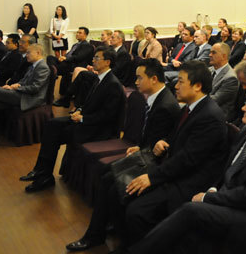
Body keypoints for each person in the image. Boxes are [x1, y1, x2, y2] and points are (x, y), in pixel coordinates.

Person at [67, 61, 228, 252]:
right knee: (114, 185)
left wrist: (151, 177)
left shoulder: (209, 116)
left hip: (187, 181)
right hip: (172, 168)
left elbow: (188, 160)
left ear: (197, 86)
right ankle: (120, 241)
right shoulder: (191, 108)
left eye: (181, 81)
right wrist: (163, 142)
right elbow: (177, 139)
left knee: (136, 209)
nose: (175, 86)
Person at [125, 87, 246, 254]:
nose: (243, 108)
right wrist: (213, 189)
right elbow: (227, 169)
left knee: (191, 210)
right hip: (229, 198)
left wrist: (208, 197)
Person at [21, 46, 125, 192]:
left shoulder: (113, 84)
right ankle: (41, 172)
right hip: (87, 120)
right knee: (51, 124)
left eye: (97, 58)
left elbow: (107, 116)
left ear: (107, 62)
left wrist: (82, 118)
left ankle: (44, 176)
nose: (93, 60)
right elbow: (89, 103)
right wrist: (80, 110)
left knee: (55, 135)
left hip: (98, 129)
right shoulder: (99, 78)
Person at [0, 44, 50, 147]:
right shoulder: (33, 65)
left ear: (38, 53)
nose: (26, 55)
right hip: (22, 93)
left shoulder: (42, 67)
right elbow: (23, 81)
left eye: (29, 52)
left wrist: (17, 88)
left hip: (29, 98)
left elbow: (35, 88)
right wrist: (13, 86)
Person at [50, 27, 94, 96]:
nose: (77, 34)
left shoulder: (87, 46)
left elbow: (79, 57)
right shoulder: (75, 45)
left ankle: (53, 72)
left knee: (53, 68)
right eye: (77, 32)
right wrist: (62, 57)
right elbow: (69, 54)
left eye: (80, 33)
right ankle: (54, 73)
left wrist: (65, 59)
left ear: (85, 35)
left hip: (75, 64)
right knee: (50, 58)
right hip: (68, 62)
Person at [208, 43, 239, 120]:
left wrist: (194, 97)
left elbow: (214, 100)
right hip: (206, 109)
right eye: (210, 52)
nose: (210, 55)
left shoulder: (231, 78)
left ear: (224, 56)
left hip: (216, 117)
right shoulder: (209, 70)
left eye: (213, 53)